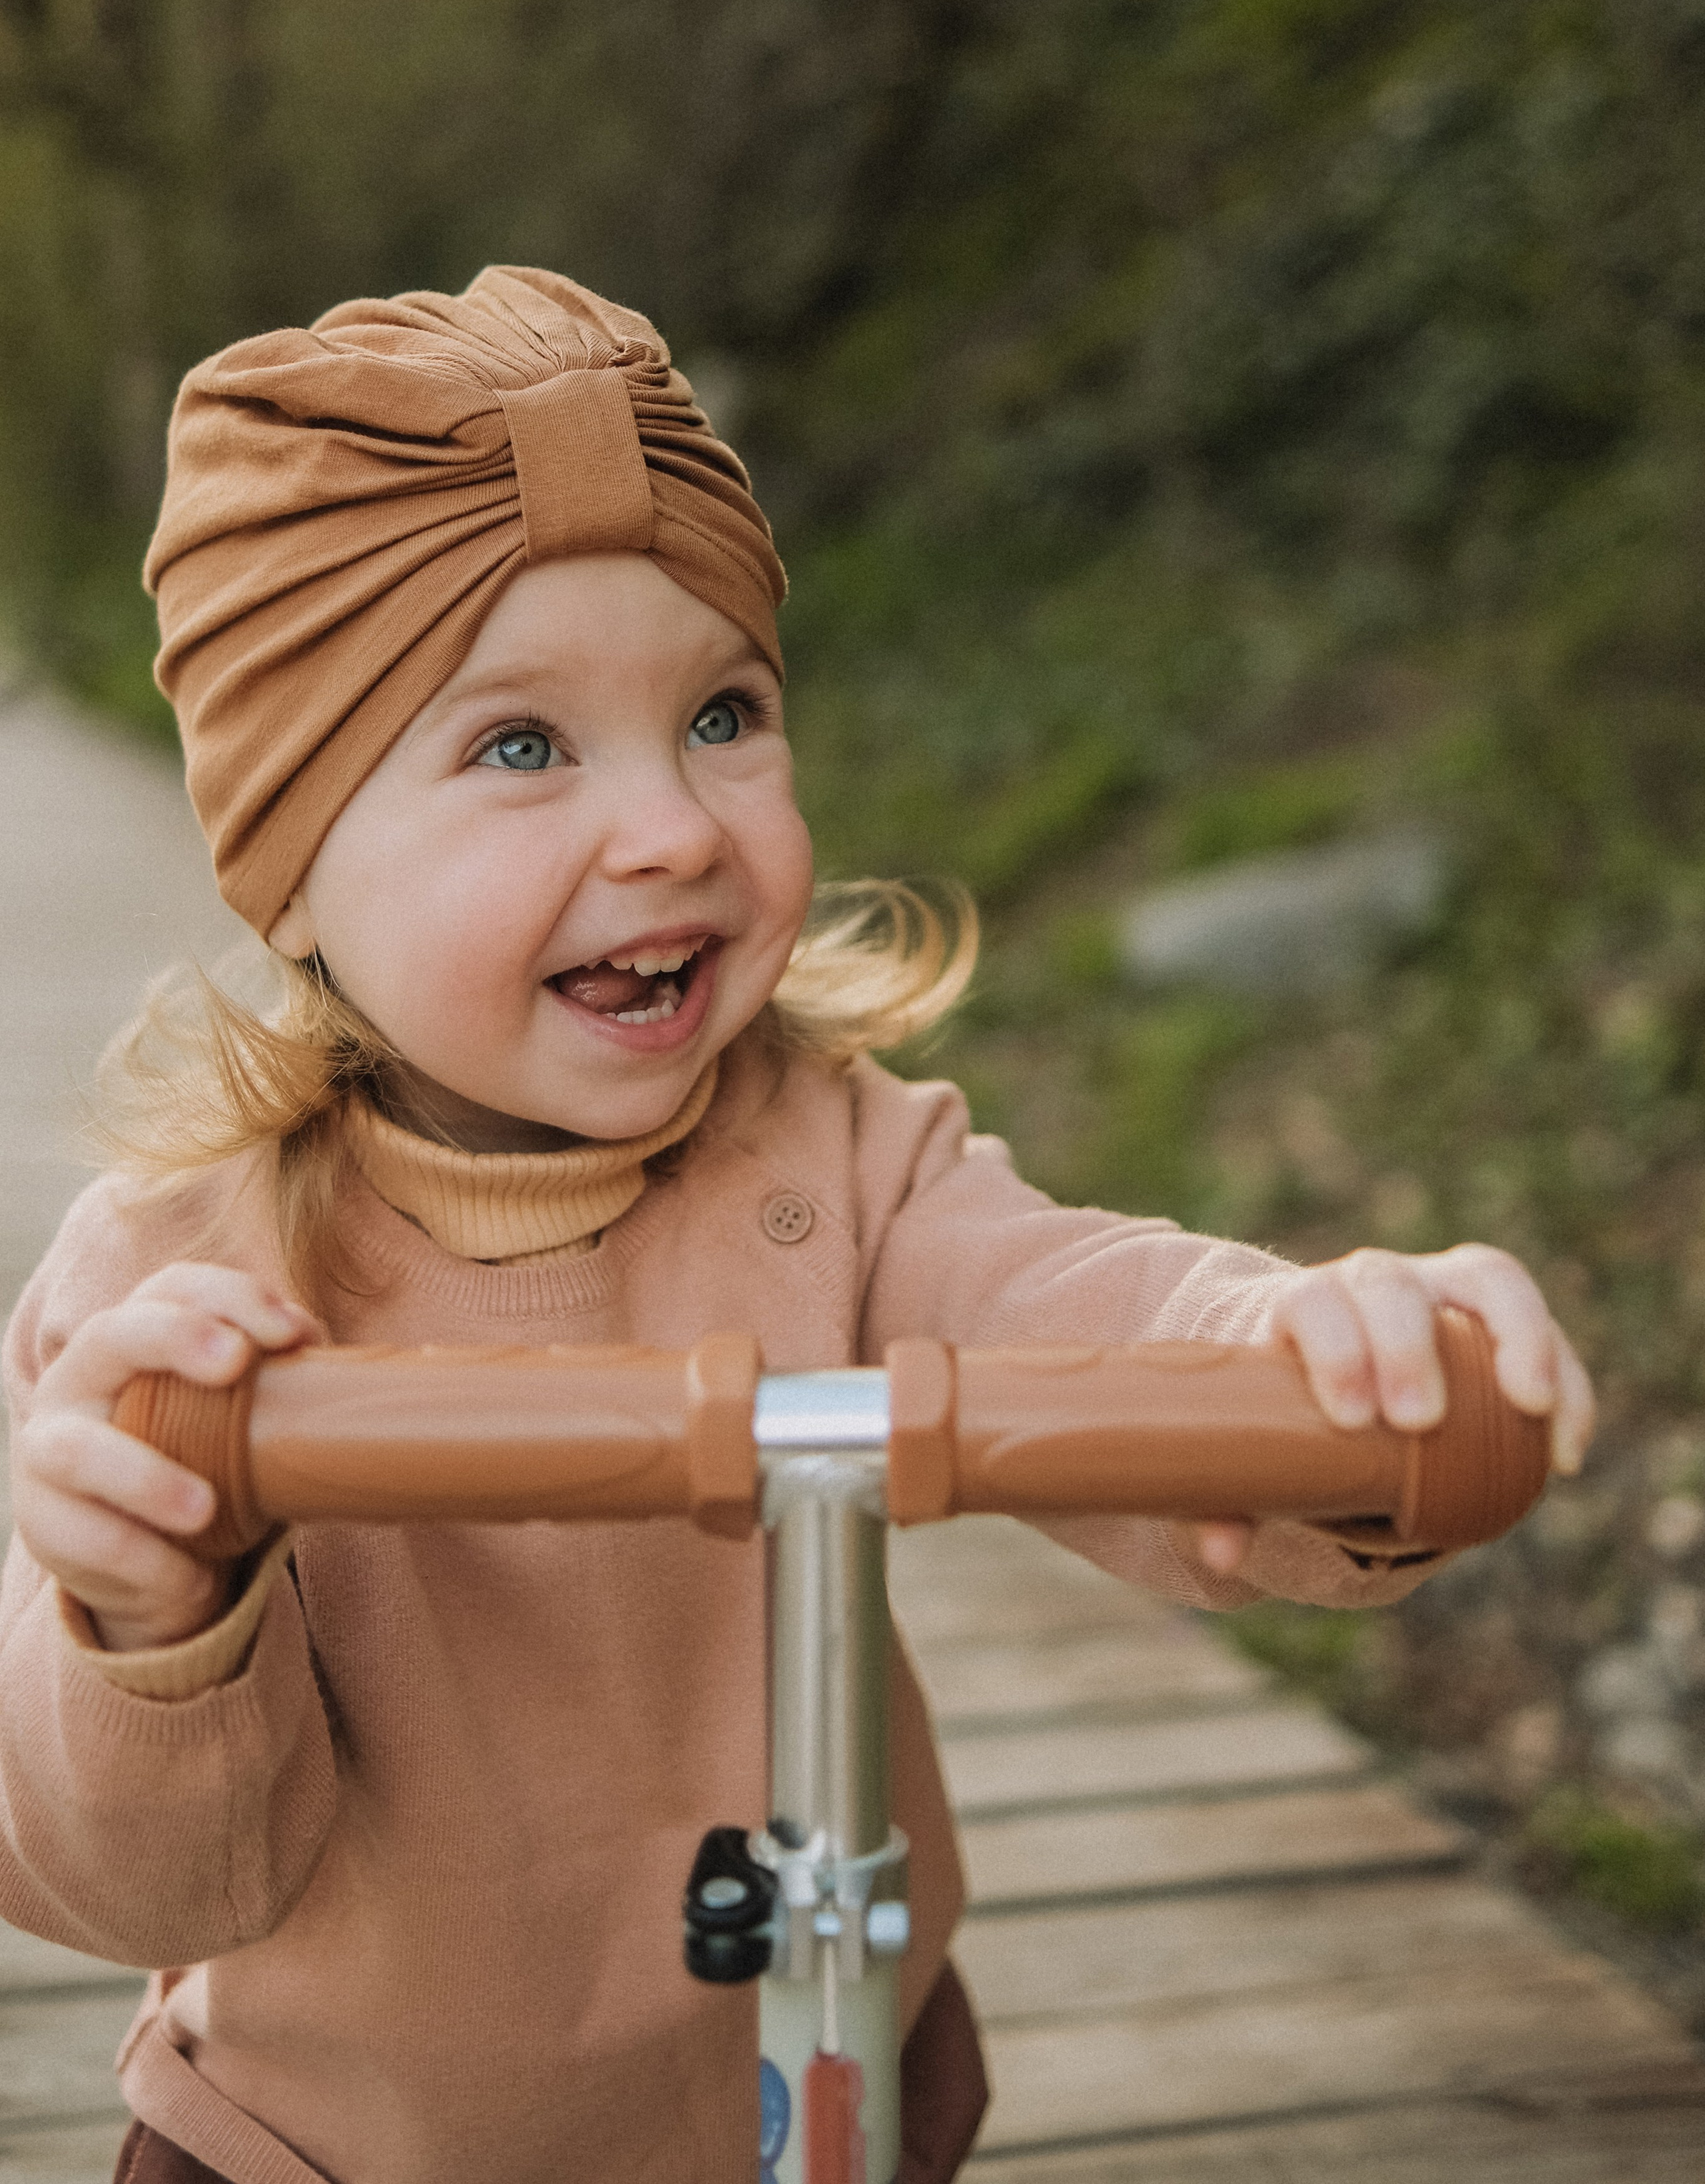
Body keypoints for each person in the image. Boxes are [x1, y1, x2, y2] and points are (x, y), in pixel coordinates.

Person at [0, 270, 1594, 2184]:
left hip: (822, 2086)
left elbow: (1071, 1304)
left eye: (725, 713)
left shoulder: (836, 1169)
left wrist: (1326, 1358)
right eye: (521, 746)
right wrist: (150, 1616)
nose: (672, 827)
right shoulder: (181, 1306)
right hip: (336, 2150)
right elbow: (141, 1873)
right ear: (296, 873)